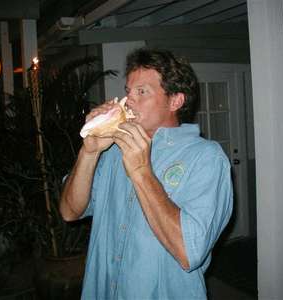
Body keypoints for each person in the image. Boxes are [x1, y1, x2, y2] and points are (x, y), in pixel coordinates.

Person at [60, 48, 233, 299]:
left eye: (142, 92)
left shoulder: (207, 158)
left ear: (175, 101)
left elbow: (188, 252)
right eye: (129, 91)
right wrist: (89, 151)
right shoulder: (110, 152)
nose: (129, 100)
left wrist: (141, 170)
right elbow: (69, 211)